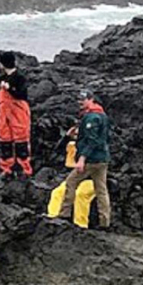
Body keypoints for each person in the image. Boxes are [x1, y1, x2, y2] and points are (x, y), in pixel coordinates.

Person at [58, 89, 111, 229]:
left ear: (91, 99)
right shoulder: (102, 115)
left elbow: (91, 140)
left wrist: (82, 158)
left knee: (70, 182)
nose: (80, 102)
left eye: (83, 100)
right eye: (79, 100)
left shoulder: (92, 117)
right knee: (101, 190)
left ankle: (64, 215)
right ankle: (105, 222)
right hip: (103, 159)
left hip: (91, 160)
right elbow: (102, 137)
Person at [0, 51, 32, 179]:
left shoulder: (19, 78)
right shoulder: (2, 78)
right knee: (5, 140)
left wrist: (9, 88)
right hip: (5, 112)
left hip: (18, 111)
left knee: (21, 139)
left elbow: (22, 94)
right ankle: (7, 169)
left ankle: (24, 169)